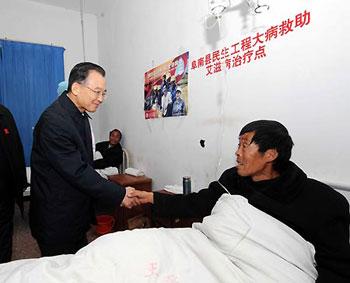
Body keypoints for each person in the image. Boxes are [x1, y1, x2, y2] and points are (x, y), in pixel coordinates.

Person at [131, 120, 350, 282]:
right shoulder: (233, 179)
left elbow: (336, 268)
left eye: (244, 145)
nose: (237, 153)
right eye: (238, 144)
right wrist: (151, 197)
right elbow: (200, 202)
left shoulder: (324, 203)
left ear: (270, 155)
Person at [29, 62, 138, 257]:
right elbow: (77, 171)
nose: (101, 98)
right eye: (96, 91)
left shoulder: (79, 114)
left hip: (76, 214)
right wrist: (120, 193)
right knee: (61, 271)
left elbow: (86, 165)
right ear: (76, 88)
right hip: (57, 217)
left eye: (104, 93)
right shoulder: (54, 121)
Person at [0, 103, 28, 263]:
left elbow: (16, 148)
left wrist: (21, 181)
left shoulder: (5, 114)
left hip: (5, 192)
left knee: (4, 234)